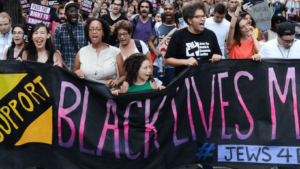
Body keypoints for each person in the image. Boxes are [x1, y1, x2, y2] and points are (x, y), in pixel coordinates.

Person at [165, 1, 222, 77]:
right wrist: (185, 61)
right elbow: (167, 60)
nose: (202, 19)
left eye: (203, 16)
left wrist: (217, 56)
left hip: (206, 81)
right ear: (189, 20)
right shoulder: (178, 35)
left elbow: (219, 54)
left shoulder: (211, 35)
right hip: (185, 84)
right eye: (198, 17)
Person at [73, 18, 125, 90]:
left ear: (103, 32)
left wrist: (116, 83)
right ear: (88, 33)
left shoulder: (115, 52)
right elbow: (74, 75)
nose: (94, 32)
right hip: (88, 96)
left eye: (98, 29)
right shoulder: (81, 52)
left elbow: (123, 76)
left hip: (108, 96)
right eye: (91, 29)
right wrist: (77, 74)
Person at [148, 2, 179, 86]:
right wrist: (154, 50)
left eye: (170, 9)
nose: (167, 11)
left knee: (171, 90)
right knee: (158, 90)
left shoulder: (180, 28)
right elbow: (150, 41)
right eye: (165, 9)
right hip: (158, 65)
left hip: (172, 67)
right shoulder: (157, 26)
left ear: (175, 11)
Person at [54, 2, 88, 70]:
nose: (74, 13)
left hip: (84, 69)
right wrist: (66, 68)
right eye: (71, 11)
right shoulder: (59, 29)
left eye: (76, 11)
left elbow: (92, 49)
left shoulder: (85, 27)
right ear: (66, 14)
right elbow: (57, 52)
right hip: (67, 70)